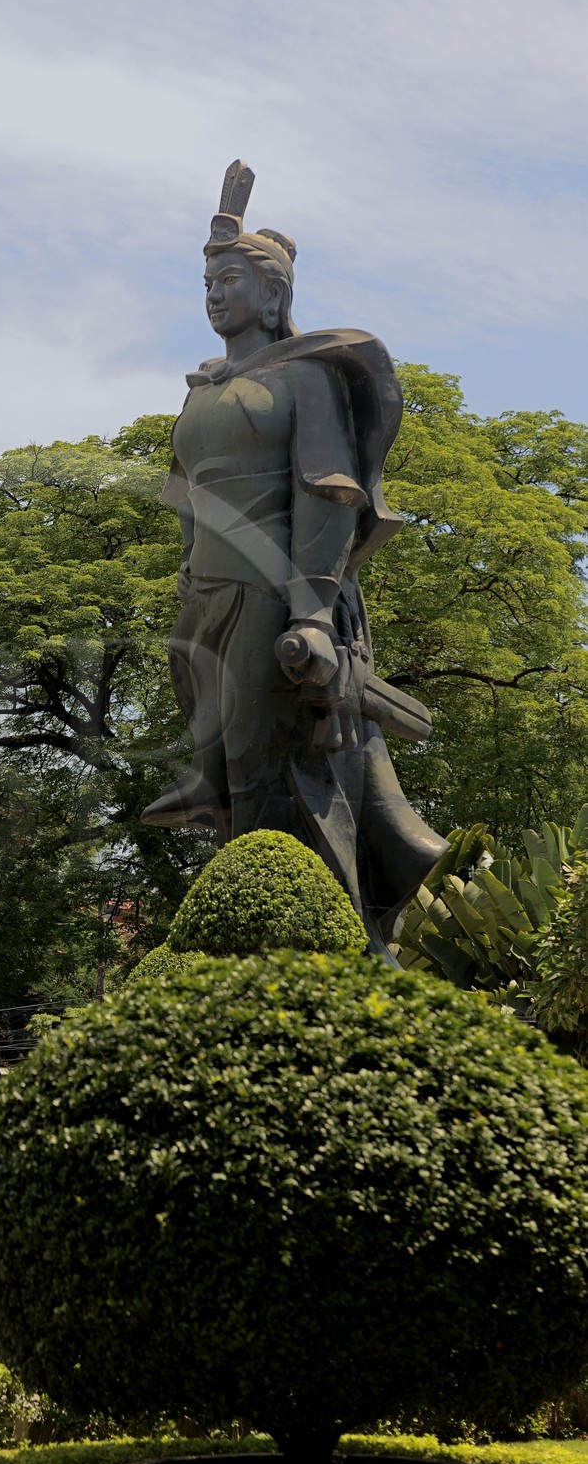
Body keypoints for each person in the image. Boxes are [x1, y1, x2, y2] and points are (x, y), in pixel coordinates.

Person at [142, 162, 446, 957]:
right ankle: (250, 894)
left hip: (272, 590)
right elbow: (189, 499)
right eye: (208, 282)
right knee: (223, 775)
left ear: (273, 295)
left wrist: (313, 609)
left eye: (232, 278)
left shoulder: (304, 374)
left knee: (262, 764)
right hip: (204, 593)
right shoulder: (204, 386)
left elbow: (326, 490)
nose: (215, 294)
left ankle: (317, 944)